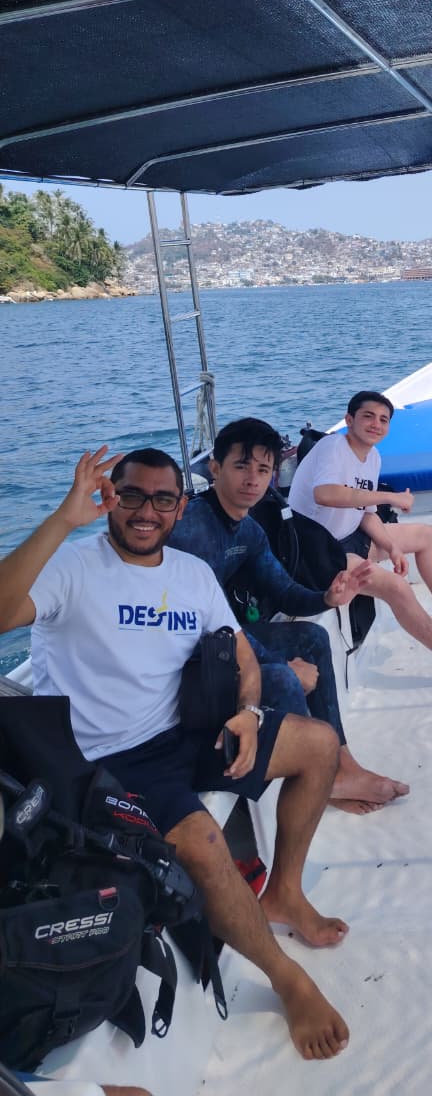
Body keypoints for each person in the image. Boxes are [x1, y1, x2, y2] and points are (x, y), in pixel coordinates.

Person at [0, 447, 350, 1061]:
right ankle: (286, 977)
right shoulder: (72, 568)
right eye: (132, 495)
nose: (146, 511)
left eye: (163, 499)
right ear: (110, 498)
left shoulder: (190, 572)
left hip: (188, 731)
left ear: (180, 507)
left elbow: (241, 653)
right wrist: (63, 518)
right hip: (112, 760)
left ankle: (284, 892)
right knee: (205, 844)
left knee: (318, 745)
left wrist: (248, 712)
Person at [170, 417, 409, 814]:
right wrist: (276, 663)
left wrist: (327, 598)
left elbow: (284, 591)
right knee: (282, 677)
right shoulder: (191, 531)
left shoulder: (248, 530)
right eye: (241, 466)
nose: (253, 479)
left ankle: (341, 764)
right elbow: (201, 626)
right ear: (215, 468)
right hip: (185, 656)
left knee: (313, 639)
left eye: (264, 469)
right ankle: (321, 774)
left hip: (220, 639)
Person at [289, 392, 432, 698]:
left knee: (424, 535)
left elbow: (366, 514)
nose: (376, 424)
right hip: (317, 551)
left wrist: (391, 546)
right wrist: (391, 497)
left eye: (383, 419)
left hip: (350, 537)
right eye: (368, 416)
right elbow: (326, 494)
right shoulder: (333, 446)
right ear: (349, 420)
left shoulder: (373, 457)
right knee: (398, 588)